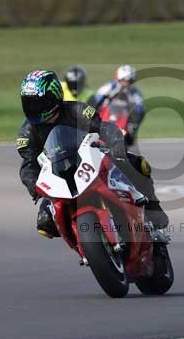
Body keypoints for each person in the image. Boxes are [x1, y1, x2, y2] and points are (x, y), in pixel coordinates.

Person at [16, 70, 168, 239]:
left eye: (38, 103)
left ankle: (153, 210)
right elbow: (28, 163)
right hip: (59, 173)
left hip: (90, 158)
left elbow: (104, 128)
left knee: (139, 165)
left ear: (54, 97)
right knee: (44, 224)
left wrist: (116, 150)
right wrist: (33, 185)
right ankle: (84, 243)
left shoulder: (76, 109)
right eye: (28, 103)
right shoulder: (27, 132)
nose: (33, 108)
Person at [90, 65, 146, 145]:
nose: (126, 83)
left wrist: (133, 125)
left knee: (129, 138)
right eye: (123, 80)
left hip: (123, 120)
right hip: (106, 116)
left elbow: (140, 109)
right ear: (118, 79)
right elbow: (96, 100)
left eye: (129, 81)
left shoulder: (134, 92)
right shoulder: (109, 87)